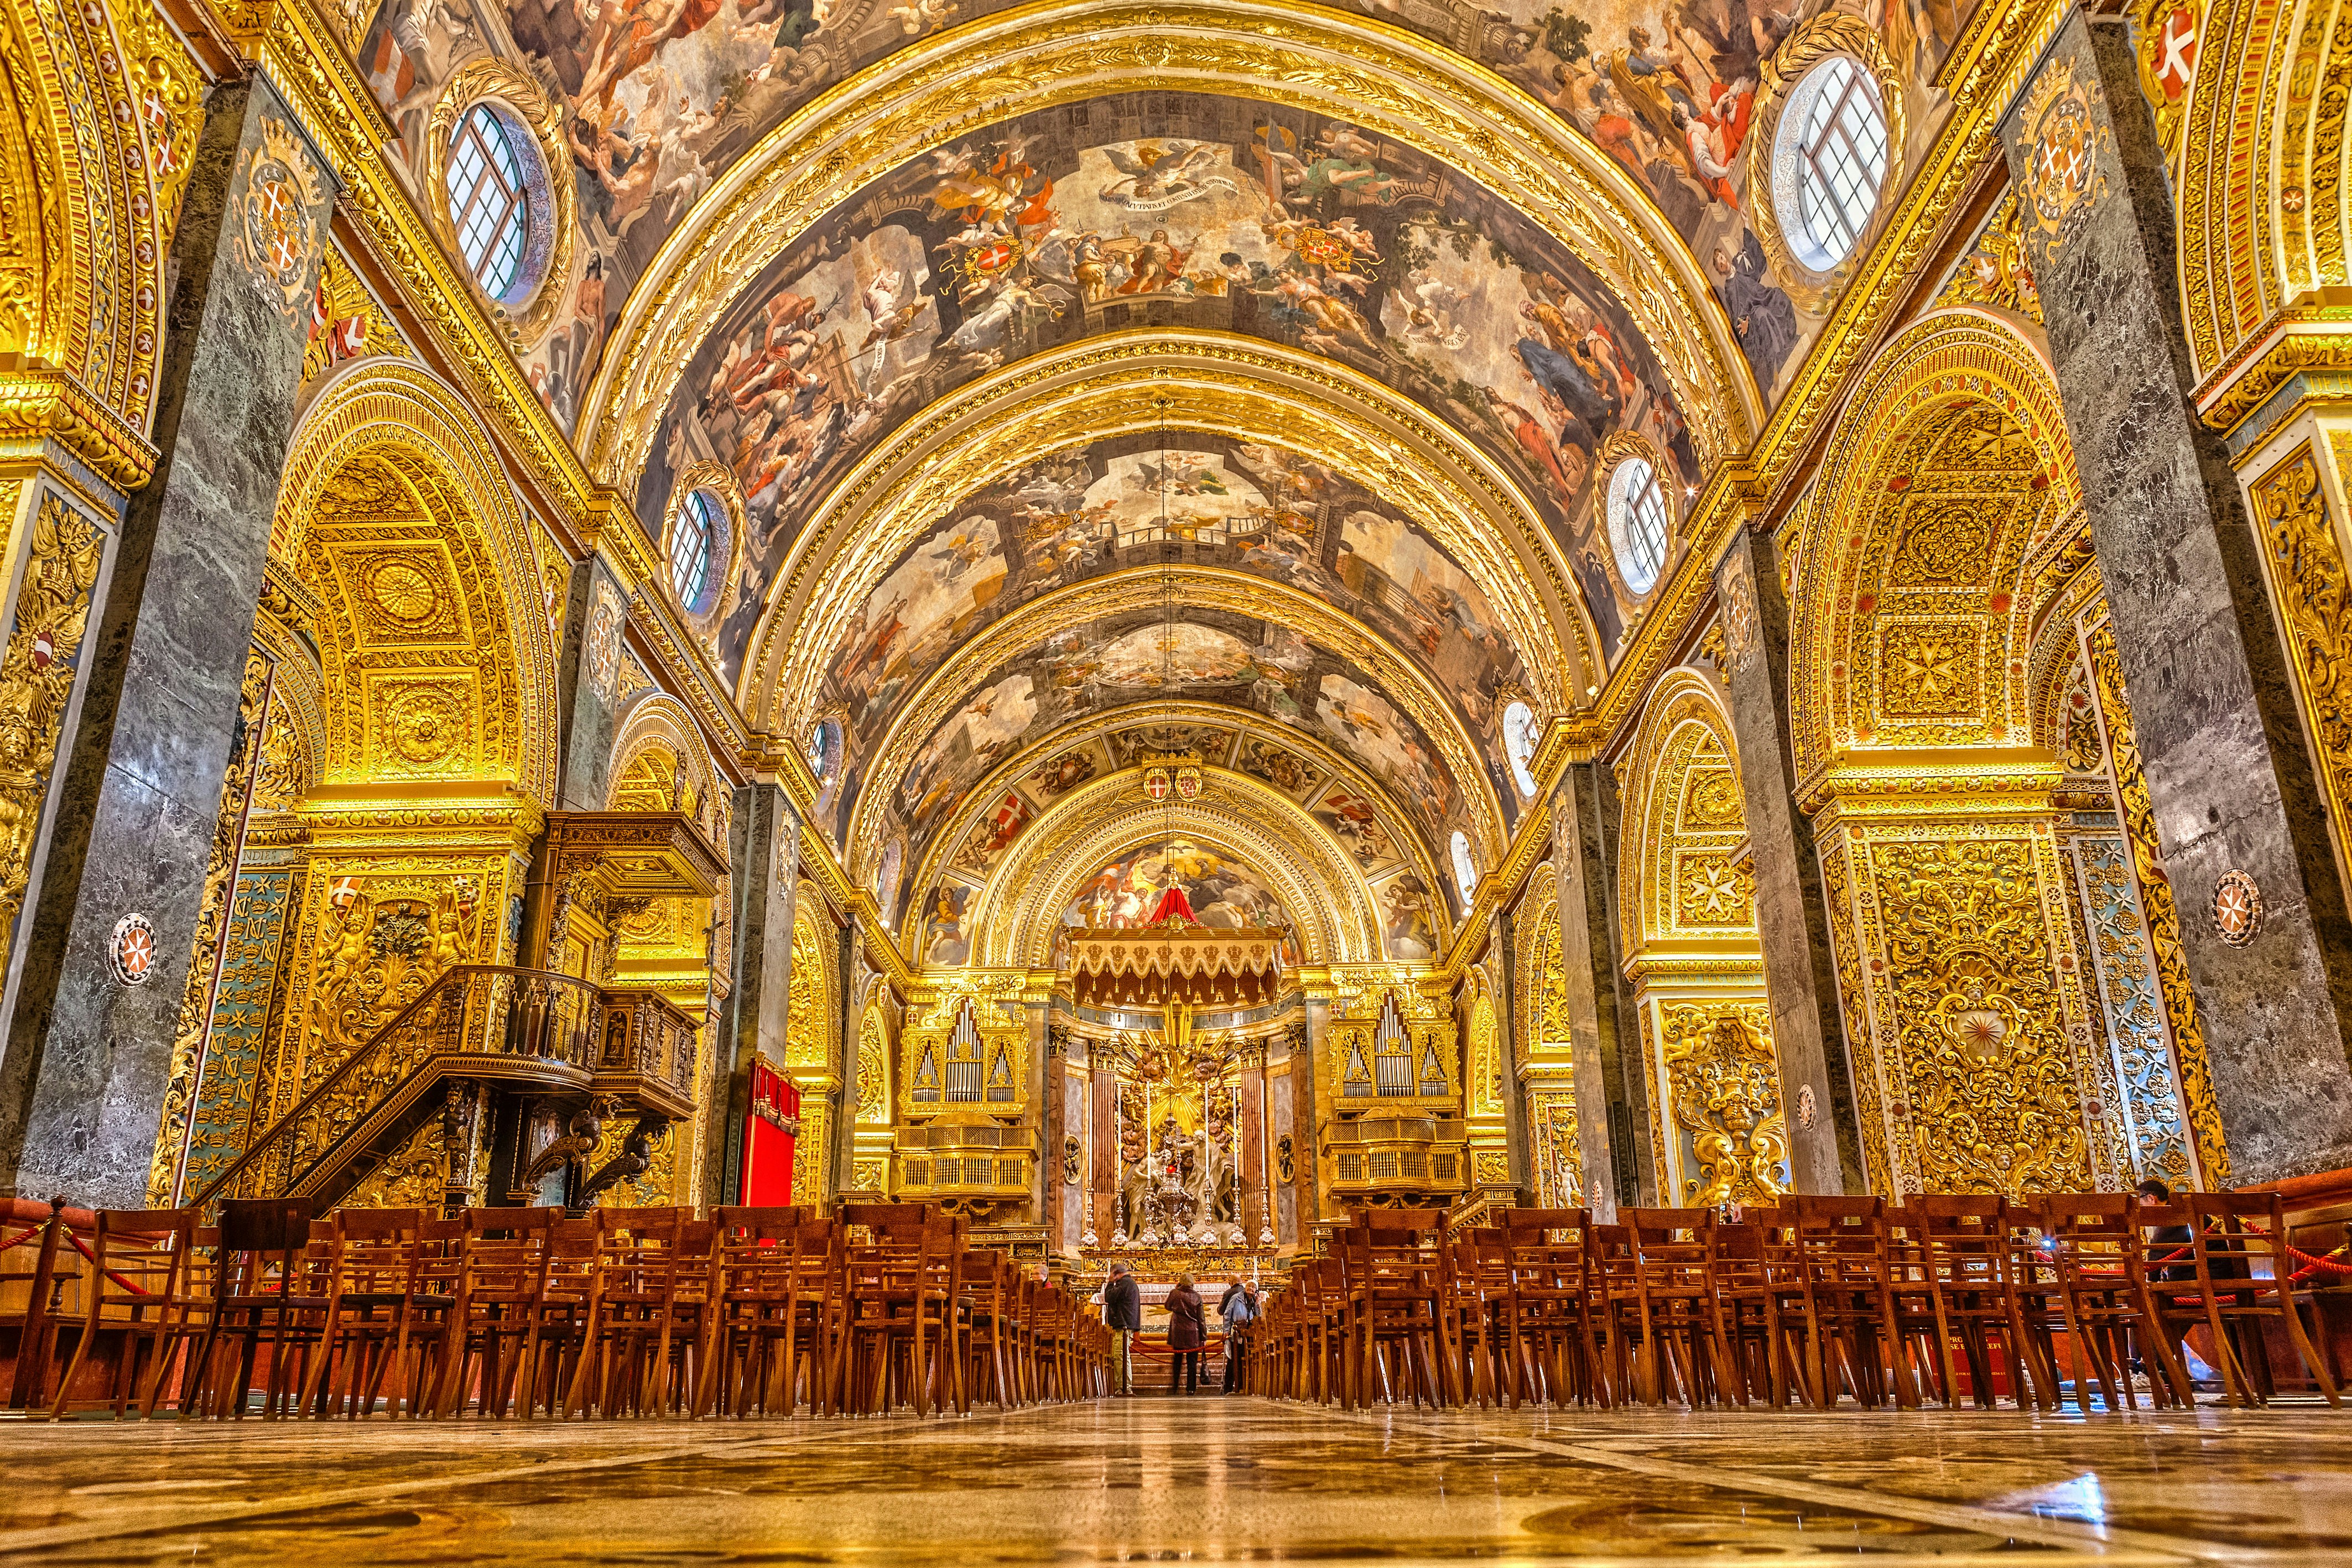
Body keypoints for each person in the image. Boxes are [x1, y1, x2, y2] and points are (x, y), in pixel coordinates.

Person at [1103, 1262, 1141, 1396]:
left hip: (1123, 1325)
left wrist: (1109, 1283)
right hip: (1126, 1323)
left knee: (1121, 1356)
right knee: (1122, 1355)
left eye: (1112, 1276)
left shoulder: (1124, 1284)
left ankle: (1124, 1387)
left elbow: (1109, 1298)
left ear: (1116, 1274)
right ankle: (1124, 1386)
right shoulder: (1129, 1283)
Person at [1165, 1272, 1206, 1394]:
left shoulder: (1175, 1293)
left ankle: (1175, 1387)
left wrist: (1176, 1288)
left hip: (1178, 1331)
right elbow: (1201, 1319)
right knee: (1192, 1362)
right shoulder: (1197, 1297)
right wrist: (1204, 1335)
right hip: (1193, 1332)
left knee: (1177, 1360)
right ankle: (1191, 1389)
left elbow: (1167, 1306)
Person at [1219, 1275, 1259, 1394]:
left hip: (1249, 1334)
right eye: (1249, 1286)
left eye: (1253, 1287)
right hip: (1236, 1333)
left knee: (1245, 1359)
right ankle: (1228, 1387)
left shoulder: (1254, 1301)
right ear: (1244, 1287)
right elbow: (1227, 1314)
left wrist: (1258, 1304)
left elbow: (1258, 1316)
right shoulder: (1236, 1298)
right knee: (1233, 1360)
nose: (1251, 1289)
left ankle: (1242, 1386)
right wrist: (1226, 1330)